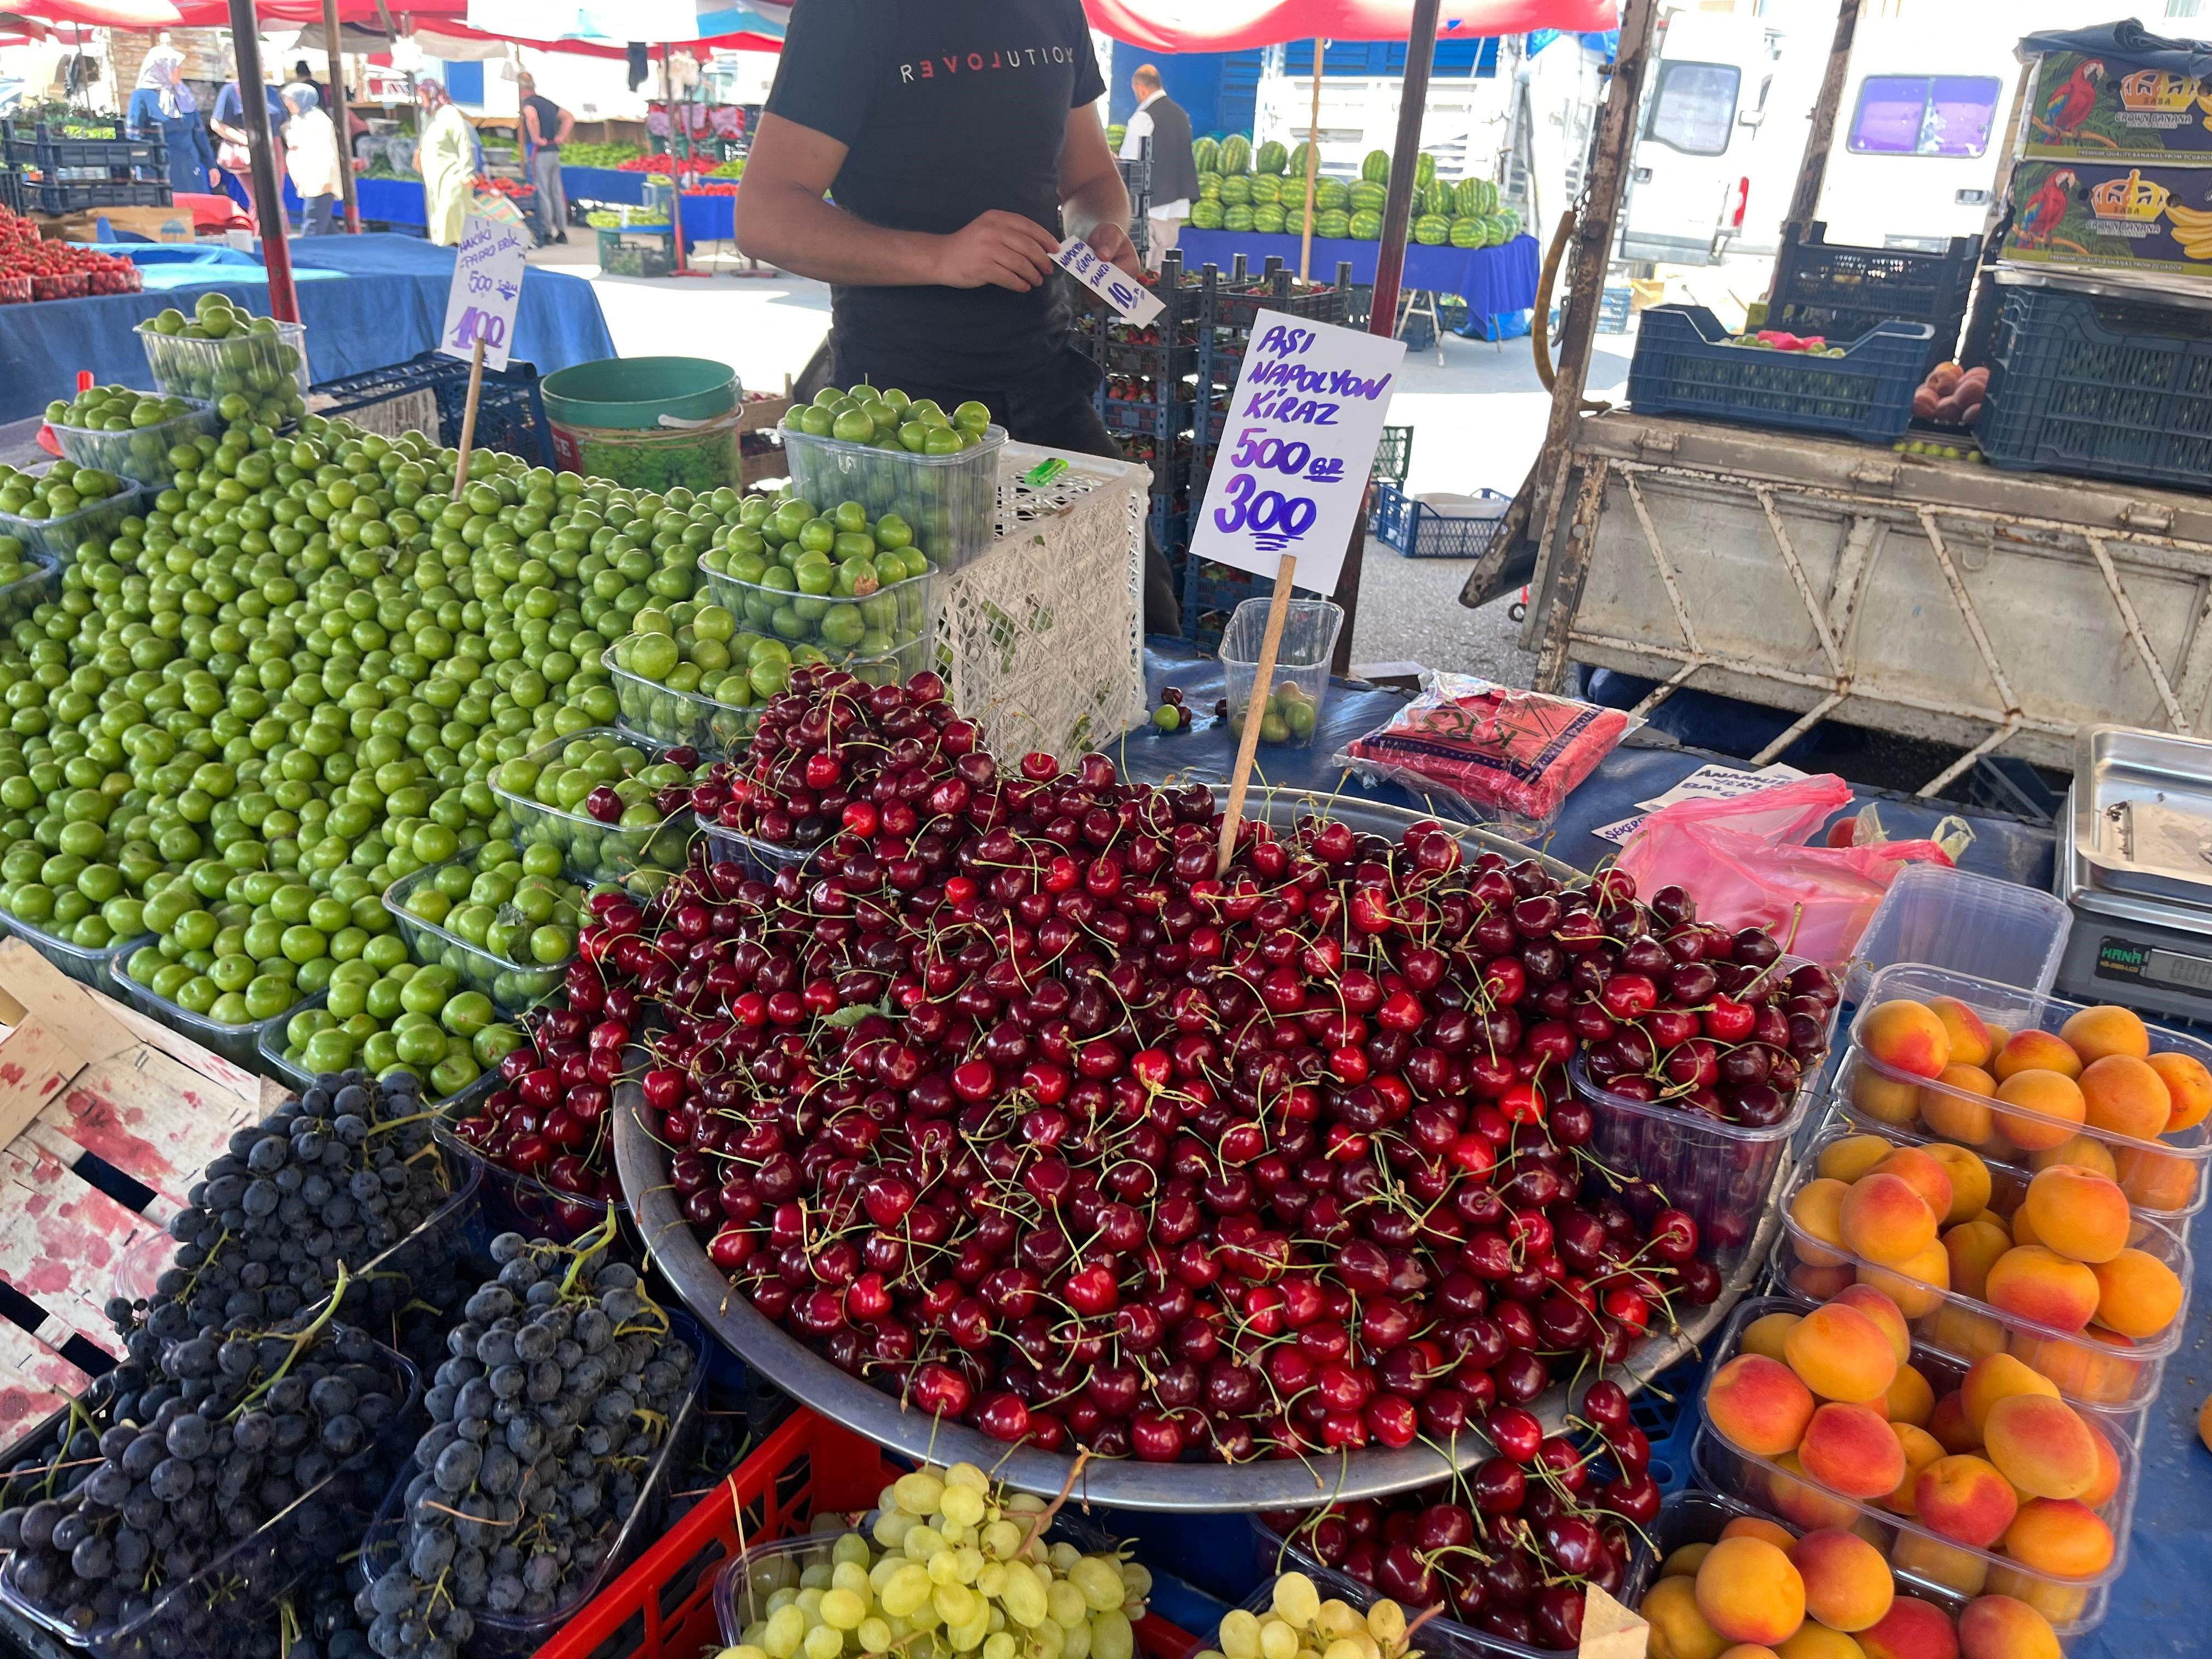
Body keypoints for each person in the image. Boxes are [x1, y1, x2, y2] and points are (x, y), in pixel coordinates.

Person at [731, 2, 1180, 632]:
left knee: (1138, 612)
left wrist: (1096, 239)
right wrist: (941, 256)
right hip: (903, 415)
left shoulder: (1056, 9)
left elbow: (1089, 179)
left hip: (1045, 392)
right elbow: (764, 215)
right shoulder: (849, 14)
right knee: (944, 641)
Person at [1119, 63, 1197, 271]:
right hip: (1175, 207)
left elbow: (1130, 162)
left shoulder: (1144, 116)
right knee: (1163, 273)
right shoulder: (1181, 114)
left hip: (1149, 207)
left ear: (1141, 88)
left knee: (1141, 272)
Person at [127, 41, 217, 198]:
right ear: (162, 68)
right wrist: (139, 168)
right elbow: (135, 136)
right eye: (175, 66)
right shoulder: (142, 96)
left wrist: (211, 165)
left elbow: (199, 132)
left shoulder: (183, 94)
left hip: (191, 167)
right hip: (161, 171)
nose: (180, 70)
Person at [211, 64, 289, 222]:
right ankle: (266, 236)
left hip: (274, 147)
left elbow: (283, 121)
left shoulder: (270, 91)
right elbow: (217, 124)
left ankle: (272, 235)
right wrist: (245, 141)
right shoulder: (231, 91)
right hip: (247, 150)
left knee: (274, 200)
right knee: (262, 201)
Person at [416, 78, 475, 247]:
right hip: (433, 178)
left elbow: (463, 142)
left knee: (452, 215)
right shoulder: (425, 116)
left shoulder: (449, 113)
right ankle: (444, 249)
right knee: (438, 216)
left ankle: (457, 248)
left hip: (452, 176)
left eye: (423, 95)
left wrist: (466, 172)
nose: (421, 99)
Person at [516, 72, 572, 246]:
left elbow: (532, 117)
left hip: (540, 152)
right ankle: (562, 232)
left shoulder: (528, 103)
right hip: (554, 151)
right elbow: (569, 117)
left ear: (521, 89)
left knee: (542, 192)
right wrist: (561, 136)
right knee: (556, 191)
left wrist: (536, 137)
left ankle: (547, 232)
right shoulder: (547, 103)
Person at [282, 83, 341, 235]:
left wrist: (326, 179)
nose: (288, 104)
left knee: (313, 224)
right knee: (325, 226)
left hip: (319, 179)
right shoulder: (299, 119)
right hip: (309, 179)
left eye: (291, 100)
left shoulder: (317, 120)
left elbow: (326, 150)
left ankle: (307, 250)